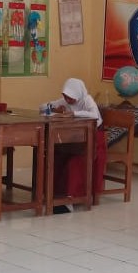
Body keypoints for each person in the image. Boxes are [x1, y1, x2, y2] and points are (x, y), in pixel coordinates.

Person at [40, 78, 108, 213]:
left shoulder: (87, 100)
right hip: (73, 141)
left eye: (70, 97)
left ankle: (71, 199)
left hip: (92, 142)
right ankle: (53, 196)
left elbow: (95, 116)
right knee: (54, 158)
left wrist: (74, 113)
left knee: (74, 163)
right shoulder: (65, 101)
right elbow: (42, 107)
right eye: (65, 96)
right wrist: (53, 108)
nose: (67, 100)